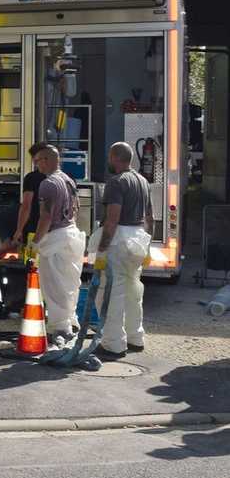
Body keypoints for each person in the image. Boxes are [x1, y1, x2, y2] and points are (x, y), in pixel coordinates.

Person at [91, 142, 153, 358]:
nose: (109, 161)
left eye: (110, 157)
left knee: (110, 293)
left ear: (115, 157)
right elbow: (149, 218)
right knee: (133, 290)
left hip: (119, 241)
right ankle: (136, 338)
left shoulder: (116, 183)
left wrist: (102, 248)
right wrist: (147, 246)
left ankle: (113, 344)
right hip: (138, 240)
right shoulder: (143, 181)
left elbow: (112, 219)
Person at [30, 145, 86, 340]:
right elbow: (76, 208)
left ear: (46, 160)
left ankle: (60, 330)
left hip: (56, 237)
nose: (36, 165)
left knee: (54, 287)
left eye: (37, 161)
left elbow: (45, 217)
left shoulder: (48, 184)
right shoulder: (68, 180)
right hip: (72, 235)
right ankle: (71, 321)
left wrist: (36, 242)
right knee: (69, 284)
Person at [5, 142, 50, 253]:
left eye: (36, 160)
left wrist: (19, 230)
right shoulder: (68, 178)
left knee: (32, 264)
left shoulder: (32, 178)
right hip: (59, 234)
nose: (35, 163)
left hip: (35, 231)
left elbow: (26, 206)